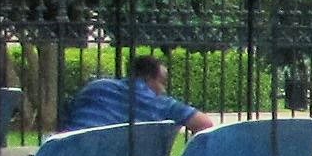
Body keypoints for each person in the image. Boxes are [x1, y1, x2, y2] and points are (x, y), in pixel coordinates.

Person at [57, 55, 215, 135]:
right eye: (162, 82)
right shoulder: (158, 103)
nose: (164, 90)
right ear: (149, 79)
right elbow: (205, 124)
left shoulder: (95, 87)